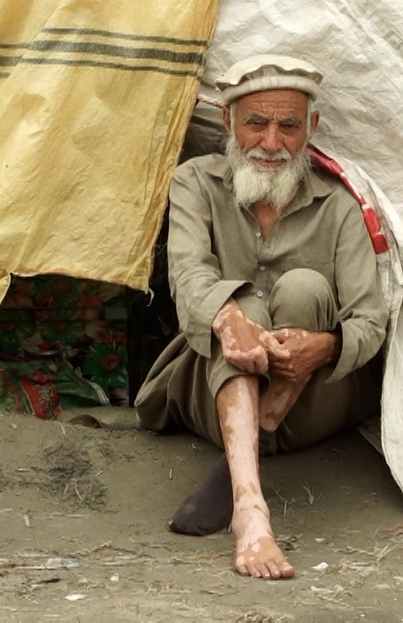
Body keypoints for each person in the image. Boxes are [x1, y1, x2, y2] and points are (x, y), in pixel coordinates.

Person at [136, 54, 387, 580]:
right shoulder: (194, 183)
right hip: (213, 392)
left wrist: (325, 347)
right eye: (256, 123)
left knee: (304, 288)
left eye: (288, 126)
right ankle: (251, 510)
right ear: (228, 121)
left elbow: (370, 319)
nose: (272, 143)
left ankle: (266, 425)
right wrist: (229, 320)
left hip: (311, 403)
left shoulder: (339, 205)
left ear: (311, 127)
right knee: (242, 304)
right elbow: (188, 274)